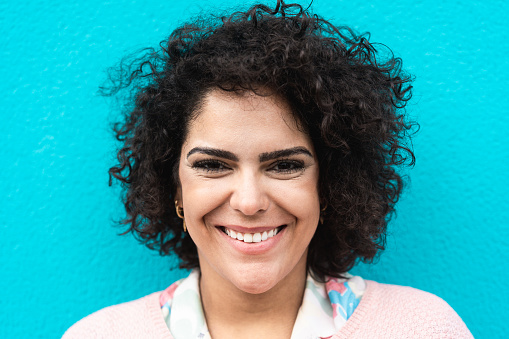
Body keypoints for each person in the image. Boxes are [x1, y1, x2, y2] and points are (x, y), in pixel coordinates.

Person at [63, 1, 473, 338]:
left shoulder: (424, 328)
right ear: (175, 191)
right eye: (211, 165)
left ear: (329, 188)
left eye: (285, 165)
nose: (249, 201)